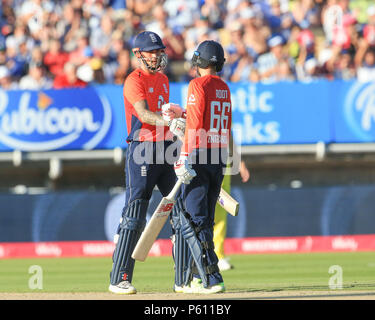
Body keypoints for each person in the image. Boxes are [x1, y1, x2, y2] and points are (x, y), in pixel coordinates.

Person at [108, 31, 186, 294]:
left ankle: (184, 279)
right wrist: (168, 122)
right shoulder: (133, 80)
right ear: (138, 54)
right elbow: (142, 113)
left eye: (159, 50)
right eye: (152, 51)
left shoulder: (164, 79)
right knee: (135, 214)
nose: (157, 55)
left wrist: (176, 118)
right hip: (142, 149)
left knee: (181, 209)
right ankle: (119, 278)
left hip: (167, 149)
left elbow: (163, 112)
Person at [171, 39, 232, 294]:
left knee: (194, 220)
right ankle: (197, 278)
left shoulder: (197, 84)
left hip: (199, 155)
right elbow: (206, 119)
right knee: (205, 218)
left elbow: (196, 126)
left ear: (199, 62)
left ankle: (211, 277)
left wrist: (184, 156)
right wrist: (181, 114)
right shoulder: (224, 87)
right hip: (218, 157)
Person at [214, 157, 250, 271]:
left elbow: (229, 140)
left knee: (220, 217)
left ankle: (218, 256)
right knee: (199, 214)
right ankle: (197, 256)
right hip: (204, 164)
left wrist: (240, 163)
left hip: (223, 169)